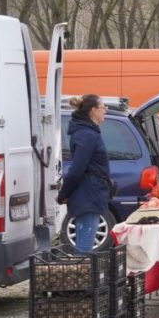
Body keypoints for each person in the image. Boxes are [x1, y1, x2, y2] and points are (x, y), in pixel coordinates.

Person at [58, 94, 112, 253]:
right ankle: (83, 274)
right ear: (93, 110)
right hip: (87, 194)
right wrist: (64, 193)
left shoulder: (89, 132)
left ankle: (83, 272)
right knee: (84, 247)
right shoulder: (86, 134)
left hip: (91, 192)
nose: (105, 111)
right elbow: (77, 168)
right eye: (103, 107)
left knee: (85, 242)